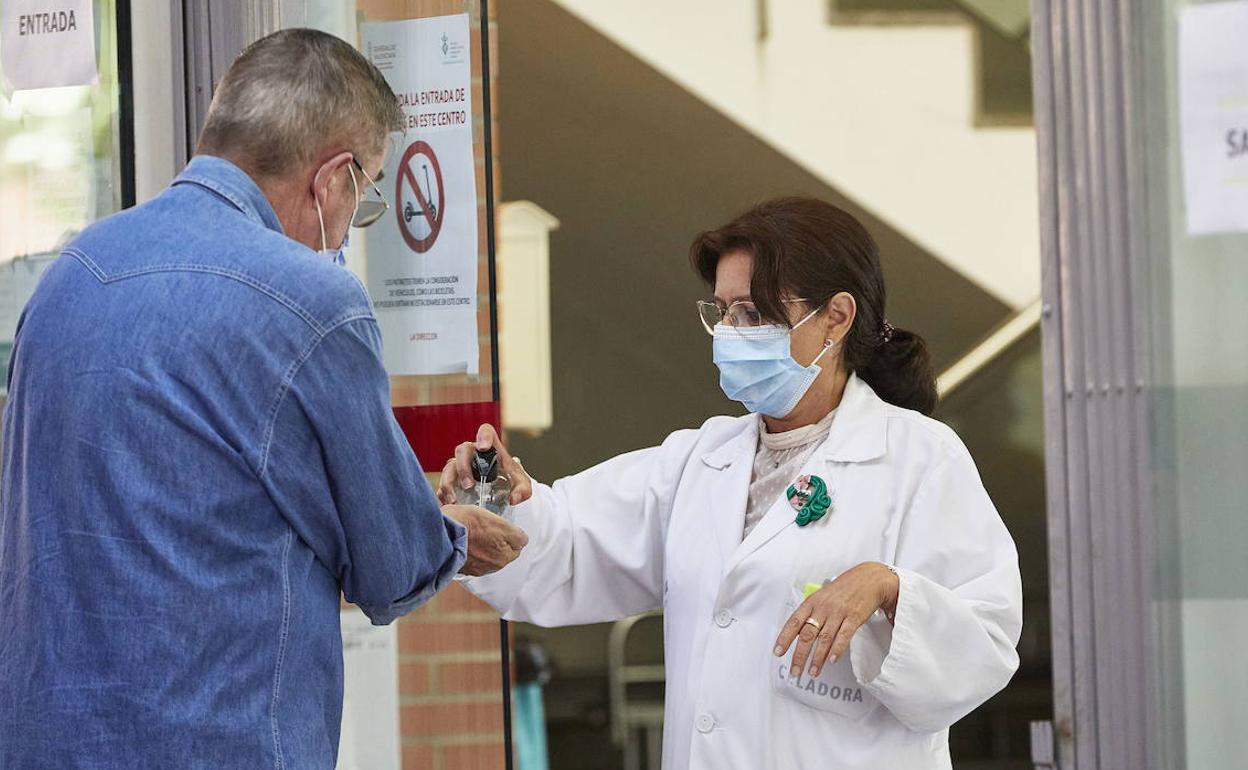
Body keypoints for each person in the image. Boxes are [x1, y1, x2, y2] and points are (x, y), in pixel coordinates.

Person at [0, 29, 525, 769]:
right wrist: (462, 533)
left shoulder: (69, 276)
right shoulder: (313, 305)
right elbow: (391, 569)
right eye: (367, 193)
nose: (348, 225)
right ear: (333, 178)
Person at [441, 197, 1022, 769]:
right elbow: (567, 542)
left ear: (836, 318)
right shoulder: (699, 461)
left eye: (754, 313)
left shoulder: (917, 457)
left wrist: (889, 588)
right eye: (723, 312)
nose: (731, 332)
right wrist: (494, 499)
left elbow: (985, 646)